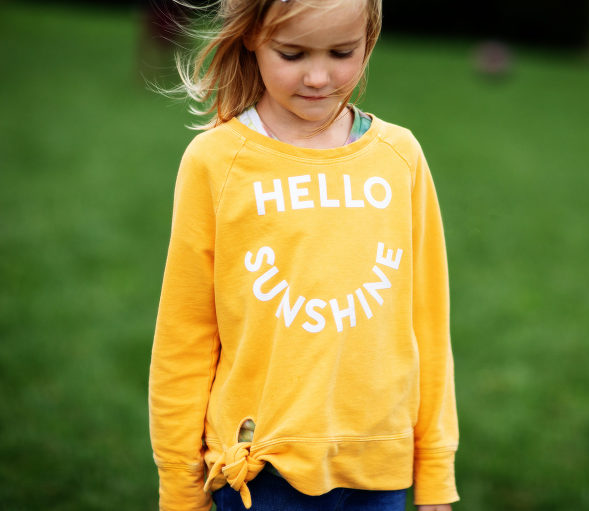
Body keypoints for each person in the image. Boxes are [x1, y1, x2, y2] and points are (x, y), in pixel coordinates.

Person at [148, 0, 459, 510]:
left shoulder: (400, 158)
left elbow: (428, 325)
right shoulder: (216, 162)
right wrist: (181, 488)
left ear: (369, 39)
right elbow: (184, 338)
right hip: (260, 475)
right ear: (252, 37)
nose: (318, 77)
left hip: (380, 470)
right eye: (292, 54)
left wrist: (435, 476)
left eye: (342, 52)